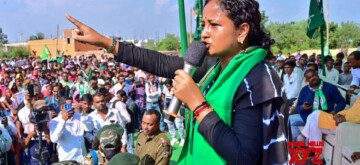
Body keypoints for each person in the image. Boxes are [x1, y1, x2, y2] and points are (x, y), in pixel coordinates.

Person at [65, 0, 289, 164]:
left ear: (242, 31)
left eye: (214, 25)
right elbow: (162, 63)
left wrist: (197, 104)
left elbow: (244, 158)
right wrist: (105, 42)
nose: (204, 34)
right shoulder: (215, 68)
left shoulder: (256, 78)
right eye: (203, 25)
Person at [49, 97, 94, 162]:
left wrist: (82, 113)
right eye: (69, 105)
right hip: (67, 160)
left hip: (82, 159)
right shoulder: (55, 121)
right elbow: (54, 139)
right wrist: (63, 121)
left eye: (73, 104)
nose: (72, 108)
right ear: (62, 107)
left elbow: (89, 128)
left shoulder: (79, 115)